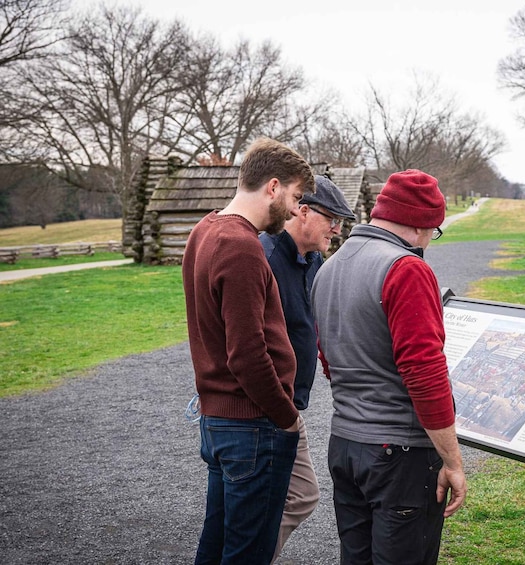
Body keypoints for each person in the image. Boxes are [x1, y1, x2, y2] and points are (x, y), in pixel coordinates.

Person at [311, 169, 467, 565]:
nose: (430, 241)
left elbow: (328, 357)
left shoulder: (329, 267)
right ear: (420, 224)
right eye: (434, 230)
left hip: (345, 442)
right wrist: (452, 460)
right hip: (399, 452)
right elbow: (424, 372)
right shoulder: (406, 268)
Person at [182, 137, 315, 564]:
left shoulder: (205, 230)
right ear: (272, 187)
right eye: (296, 197)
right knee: (248, 554)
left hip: (221, 421)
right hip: (252, 427)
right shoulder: (241, 246)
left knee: (218, 545)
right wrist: (286, 416)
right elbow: (247, 353)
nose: (298, 210)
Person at [258, 175, 356, 559]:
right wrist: (278, 409)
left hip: (286, 406)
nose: (338, 228)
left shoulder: (314, 261)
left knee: (295, 496)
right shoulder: (263, 258)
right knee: (295, 496)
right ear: (301, 210)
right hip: (264, 408)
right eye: (332, 218)